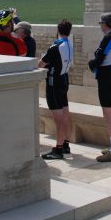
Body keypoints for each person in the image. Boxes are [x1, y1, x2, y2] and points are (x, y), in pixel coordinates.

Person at [88, 12, 111, 162]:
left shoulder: (109, 38)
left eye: (101, 23)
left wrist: (91, 64)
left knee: (108, 115)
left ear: (106, 24)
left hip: (106, 79)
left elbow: (100, 58)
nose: (100, 26)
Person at [39, 20, 74, 160]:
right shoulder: (69, 44)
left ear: (58, 30)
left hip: (54, 84)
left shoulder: (55, 46)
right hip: (64, 81)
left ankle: (58, 150)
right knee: (65, 114)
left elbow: (41, 64)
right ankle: (65, 144)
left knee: (58, 119)